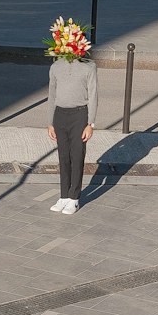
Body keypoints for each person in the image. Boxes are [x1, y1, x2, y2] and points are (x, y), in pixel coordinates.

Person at [45, 16, 97, 215]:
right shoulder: (56, 66)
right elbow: (52, 96)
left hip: (79, 115)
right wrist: (50, 122)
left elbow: (93, 96)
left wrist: (90, 123)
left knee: (77, 156)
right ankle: (63, 196)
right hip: (60, 115)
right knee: (63, 156)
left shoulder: (89, 67)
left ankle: (74, 197)